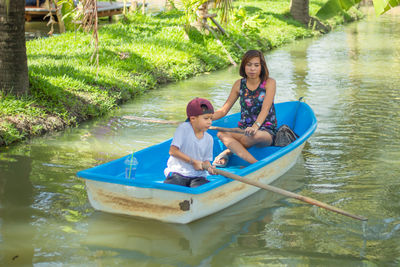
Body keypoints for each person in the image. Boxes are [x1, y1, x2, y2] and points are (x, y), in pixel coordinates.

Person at [212, 50, 277, 166]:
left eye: (256, 65)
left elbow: (265, 109)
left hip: (264, 131)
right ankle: (255, 164)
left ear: (262, 67)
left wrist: (254, 127)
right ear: (244, 66)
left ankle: (228, 152)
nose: (252, 69)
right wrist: (206, 117)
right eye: (249, 65)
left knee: (252, 136)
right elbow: (223, 110)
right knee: (221, 134)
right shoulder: (239, 84)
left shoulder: (269, 83)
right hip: (243, 129)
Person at [164, 97, 216, 187]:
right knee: (172, 186)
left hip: (198, 176)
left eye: (211, 118)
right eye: (206, 118)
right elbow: (172, 151)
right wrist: (193, 162)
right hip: (179, 172)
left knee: (202, 187)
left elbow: (206, 161)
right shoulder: (184, 128)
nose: (210, 122)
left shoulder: (209, 139)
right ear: (192, 119)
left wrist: (210, 168)